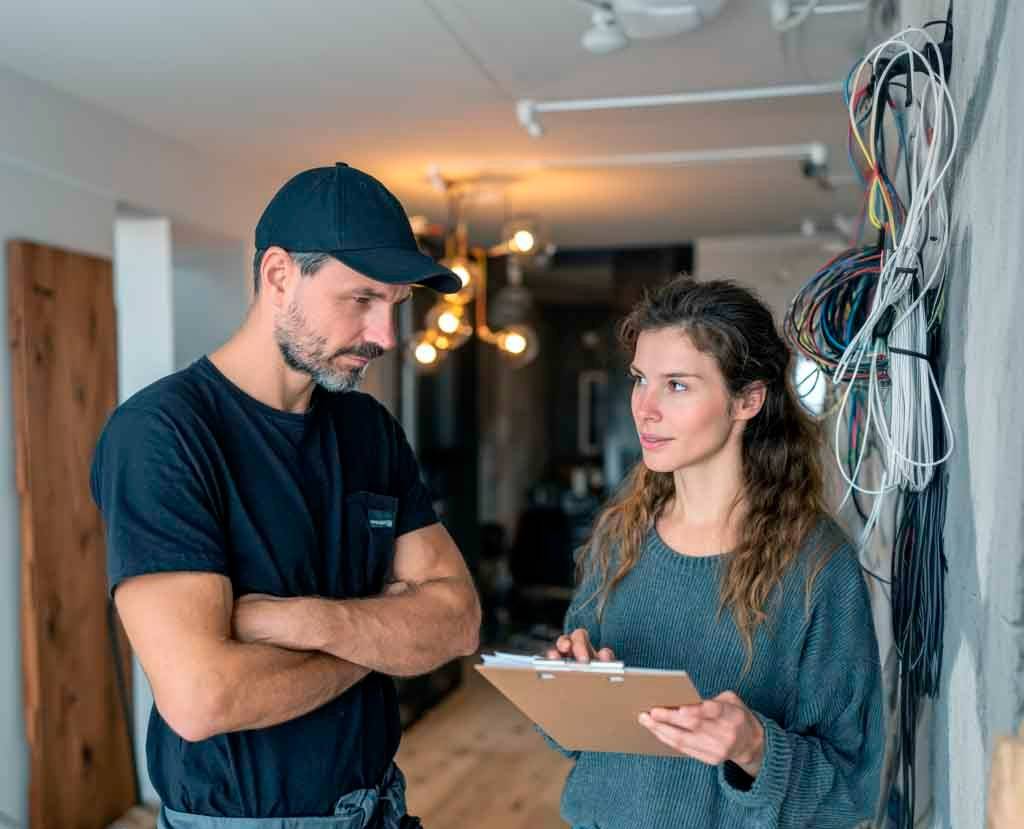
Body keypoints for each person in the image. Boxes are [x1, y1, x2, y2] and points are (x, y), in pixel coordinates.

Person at [91, 163, 481, 828]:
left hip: (383, 807)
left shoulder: (369, 430)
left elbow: (459, 621)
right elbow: (202, 697)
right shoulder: (164, 435)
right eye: (361, 299)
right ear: (278, 275)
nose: (385, 335)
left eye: (396, 304)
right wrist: (379, 638)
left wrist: (308, 623)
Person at [545, 275, 884, 828]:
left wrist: (754, 748)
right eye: (639, 380)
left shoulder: (818, 566)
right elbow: (576, 744)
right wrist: (566, 687)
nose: (645, 409)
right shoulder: (618, 537)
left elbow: (851, 792)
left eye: (676, 385)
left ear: (747, 400)